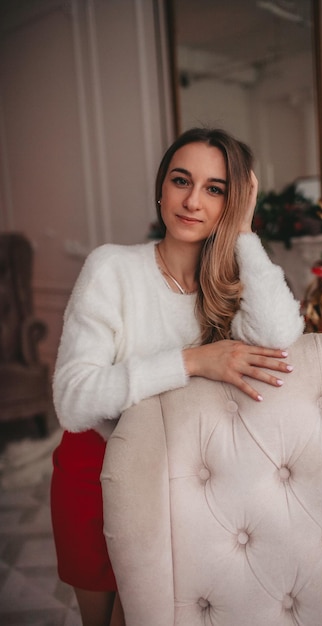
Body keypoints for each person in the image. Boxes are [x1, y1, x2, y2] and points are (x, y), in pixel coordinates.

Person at [50, 127, 305, 626]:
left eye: (215, 189)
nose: (192, 201)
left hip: (182, 483)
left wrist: (246, 234)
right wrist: (191, 361)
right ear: (160, 189)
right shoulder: (112, 268)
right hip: (94, 474)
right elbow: (73, 398)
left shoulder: (228, 287)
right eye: (180, 181)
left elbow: (279, 336)